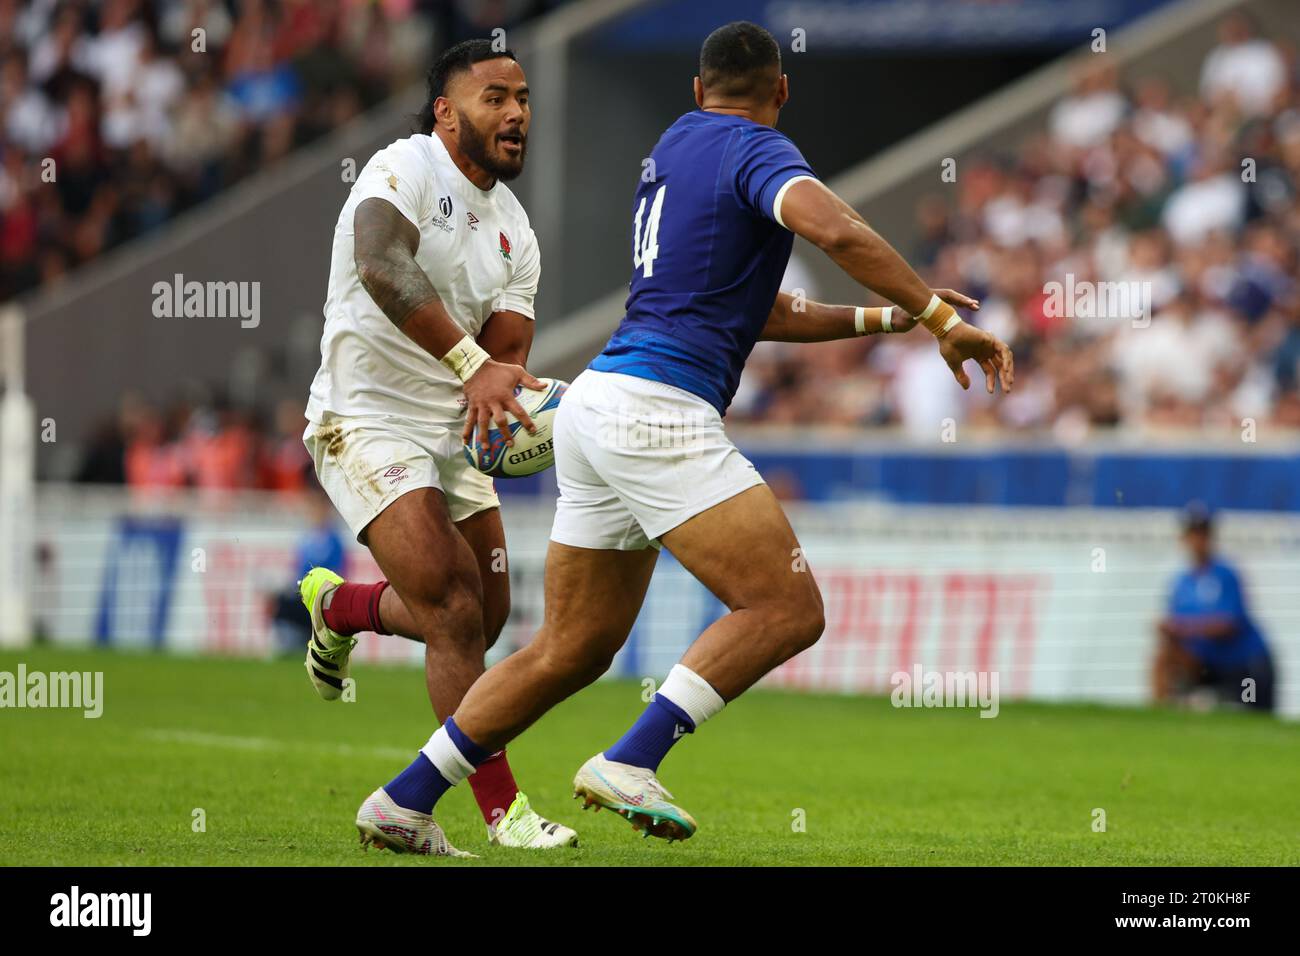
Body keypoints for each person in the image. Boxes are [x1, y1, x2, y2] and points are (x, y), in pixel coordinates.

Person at [377, 21, 1013, 845]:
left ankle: (403, 796)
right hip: (659, 413)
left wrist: (884, 318)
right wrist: (935, 313)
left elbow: (763, 310)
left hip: (598, 402)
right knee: (787, 606)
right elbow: (839, 229)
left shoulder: (676, 147)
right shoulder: (757, 151)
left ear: (696, 90)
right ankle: (633, 759)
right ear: (780, 91)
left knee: (570, 649)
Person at [298, 39, 577, 855]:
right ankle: (498, 812)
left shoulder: (516, 231)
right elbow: (381, 263)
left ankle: (338, 605)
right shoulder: (405, 167)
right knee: (453, 606)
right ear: (447, 112)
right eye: (495, 97)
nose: (517, 112)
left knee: (484, 617)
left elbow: (508, 352)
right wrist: (476, 367)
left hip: (451, 431)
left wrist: (515, 403)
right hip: (366, 416)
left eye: (523, 97)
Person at [1154, 502, 1276, 713]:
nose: (1199, 541)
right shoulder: (1181, 583)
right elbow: (1175, 629)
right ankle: (1162, 712)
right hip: (1207, 666)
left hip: (1244, 665)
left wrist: (1183, 628)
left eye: (1203, 534)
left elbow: (1228, 625)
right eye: (1194, 534)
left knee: (1255, 719)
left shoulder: (1225, 575)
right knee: (1164, 655)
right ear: (1184, 538)